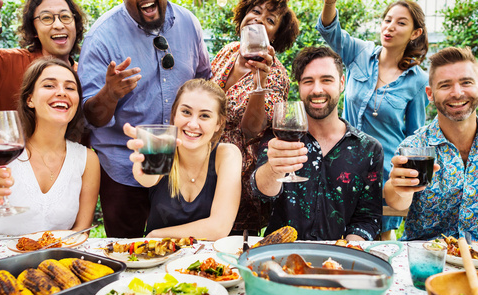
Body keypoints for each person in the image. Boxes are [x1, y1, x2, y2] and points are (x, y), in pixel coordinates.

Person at [78, 0, 211, 238]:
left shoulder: (189, 23)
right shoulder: (100, 37)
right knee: (129, 255)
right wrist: (109, 94)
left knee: (179, 254)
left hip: (179, 166)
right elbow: (90, 117)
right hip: (124, 168)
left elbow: (203, 82)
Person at [316, 0, 429, 240]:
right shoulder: (360, 53)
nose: (390, 27)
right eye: (387, 20)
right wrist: (329, 3)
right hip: (343, 165)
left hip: (385, 175)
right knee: (334, 234)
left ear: (415, 33)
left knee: (378, 241)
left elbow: (414, 137)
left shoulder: (418, 81)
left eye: (401, 23)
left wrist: (407, 182)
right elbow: (329, 30)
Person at [251, 46, 383, 241]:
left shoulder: (369, 149)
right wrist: (274, 169)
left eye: (326, 80)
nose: (317, 89)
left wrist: (345, 253)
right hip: (279, 256)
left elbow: (368, 219)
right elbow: (261, 193)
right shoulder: (277, 138)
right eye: (308, 81)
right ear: (299, 86)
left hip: (339, 261)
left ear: (341, 83)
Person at [0, 58, 100, 235]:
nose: (61, 92)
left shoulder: (87, 160)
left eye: (70, 88)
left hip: (50, 262)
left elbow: (82, 231)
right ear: (30, 100)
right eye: (49, 86)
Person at [211, 0, 299, 234]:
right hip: (203, 163)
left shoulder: (276, 74)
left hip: (238, 175)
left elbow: (251, 129)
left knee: (231, 245)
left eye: (270, 20)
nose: (258, 19)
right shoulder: (228, 52)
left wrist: (259, 83)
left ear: (274, 36)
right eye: (255, 11)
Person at [123, 79, 242, 240]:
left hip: (208, 261)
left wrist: (156, 235)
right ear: (174, 114)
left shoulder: (227, 155)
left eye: (204, 116)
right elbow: (147, 179)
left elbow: (219, 227)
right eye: (186, 112)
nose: (193, 124)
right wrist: (143, 162)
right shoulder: (161, 147)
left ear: (218, 124)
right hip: (159, 257)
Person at [384, 47, 478, 241]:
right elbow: (396, 200)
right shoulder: (414, 146)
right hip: (428, 262)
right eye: (445, 86)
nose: (457, 93)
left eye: (466, 82)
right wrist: (399, 188)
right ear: (430, 94)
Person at [0, 0, 85, 111]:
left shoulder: (87, 75)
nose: (58, 25)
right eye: (46, 18)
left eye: (65, 17)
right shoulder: (2, 64)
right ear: (34, 30)